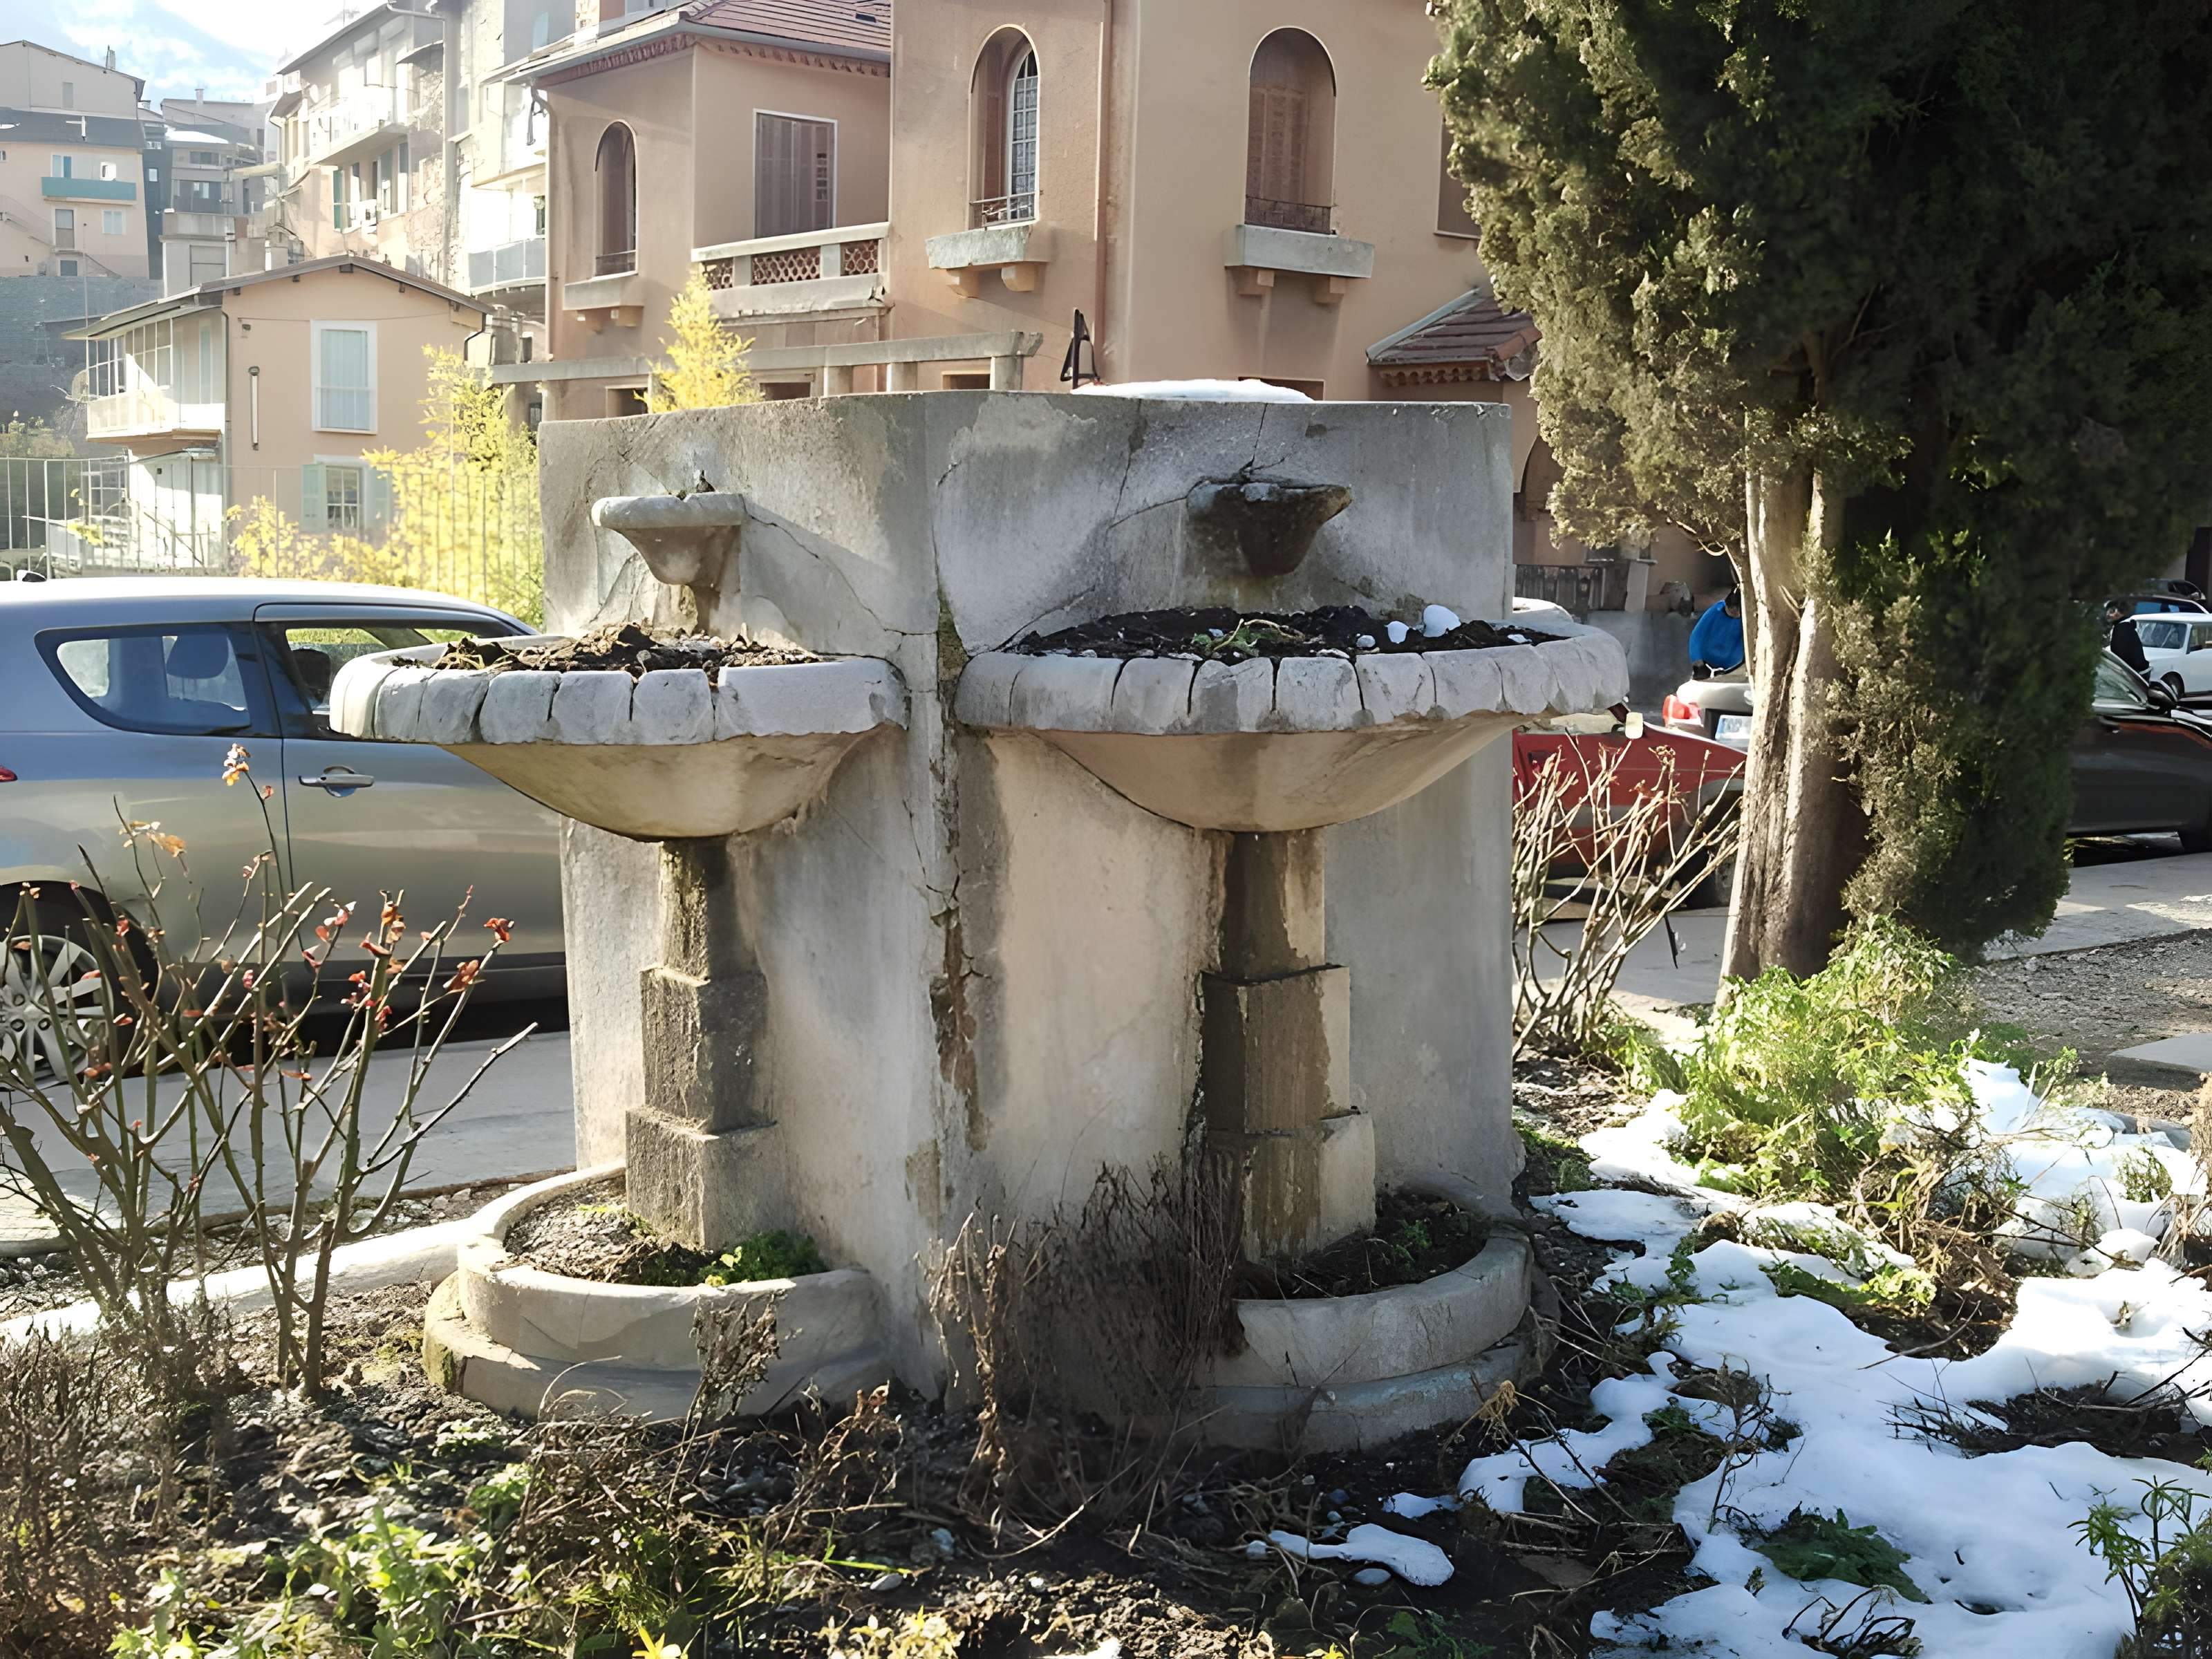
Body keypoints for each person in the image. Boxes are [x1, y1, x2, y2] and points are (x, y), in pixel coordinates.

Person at [1688, 586, 1746, 675]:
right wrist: (1697, 660)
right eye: (1730, 610)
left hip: (1732, 661)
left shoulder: (1745, 619)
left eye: (1736, 613)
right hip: (1708, 656)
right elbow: (1697, 635)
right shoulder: (1716, 611)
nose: (1732, 614)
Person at [2106, 598, 2150, 675]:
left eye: (2111, 611)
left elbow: (2120, 656)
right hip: (2136, 671)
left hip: (2131, 674)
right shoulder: (2126, 626)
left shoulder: (2122, 629)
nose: (2108, 615)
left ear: (2118, 613)